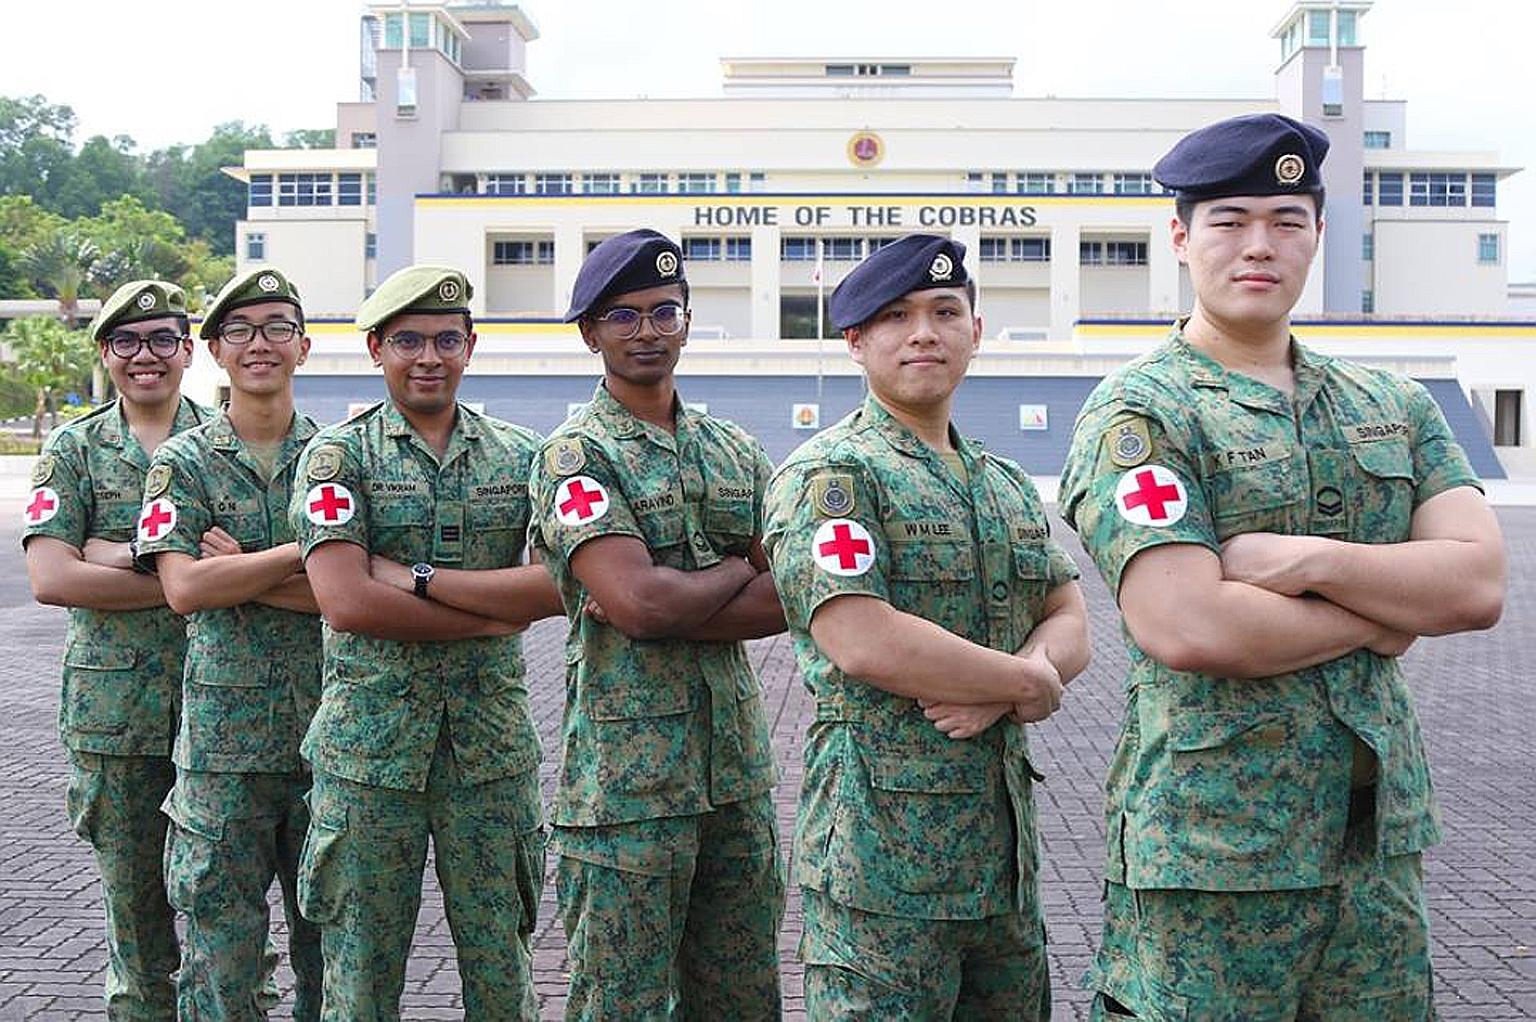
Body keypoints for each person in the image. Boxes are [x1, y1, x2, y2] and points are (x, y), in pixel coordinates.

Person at [1058, 113, 1507, 1020]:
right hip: (1213, 858)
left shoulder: (1391, 403)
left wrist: (1308, 560)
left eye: (1286, 220)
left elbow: (1479, 583)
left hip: (1374, 850)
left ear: (1317, 236)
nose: (1258, 245)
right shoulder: (1141, 414)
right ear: (1181, 237)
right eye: (1229, 221)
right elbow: (1189, 626)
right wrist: (1389, 612)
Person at [761, 233, 1088, 1019]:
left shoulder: (1003, 482)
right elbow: (859, 635)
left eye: (946, 311)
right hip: (884, 869)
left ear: (976, 331)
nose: (924, 332)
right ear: (855, 341)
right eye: (896, 316)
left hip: (1002, 865)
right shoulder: (832, 475)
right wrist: (1023, 682)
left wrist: (1011, 691)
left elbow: (1067, 615)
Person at [290, 265, 563, 1019]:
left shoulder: (523, 455)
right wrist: (492, 613)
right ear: (376, 348)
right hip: (369, 757)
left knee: (502, 971)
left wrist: (409, 574)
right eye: (407, 340)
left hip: (491, 754)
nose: (428, 357)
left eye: (447, 338)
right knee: (361, 975)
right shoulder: (336, 460)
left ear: (471, 347)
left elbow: (553, 588)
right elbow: (345, 602)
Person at [527, 229, 785, 1020]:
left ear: (687, 320)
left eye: (663, 312)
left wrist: (685, 595)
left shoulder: (735, 450)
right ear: (590, 333)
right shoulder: (575, 456)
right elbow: (637, 606)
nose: (647, 332)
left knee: (742, 999)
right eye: (623, 316)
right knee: (622, 1004)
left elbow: (792, 595)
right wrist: (740, 568)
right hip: (624, 796)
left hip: (734, 782)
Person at [135, 268, 324, 1019]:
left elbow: (350, 595)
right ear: (213, 349)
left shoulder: (340, 456)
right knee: (220, 962)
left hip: (328, 742)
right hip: (221, 755)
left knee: (335, 955)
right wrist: (300, 553)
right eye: (240, 331)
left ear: (304, 347)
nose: (260, 344)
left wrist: (238, 564)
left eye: (278, 327)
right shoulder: (180, 463)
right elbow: (182, 589)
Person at [21, 280, 209, 1019]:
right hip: (115, 721)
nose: (146, 356)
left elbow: (264, 566)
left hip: (227, 708)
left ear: (189, 352)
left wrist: (112, 554)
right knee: (136, 924)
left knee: (231, 924)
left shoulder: (224, 442)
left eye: (164, 339)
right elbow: (51, 575)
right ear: (105, 353)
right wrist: (185, 573)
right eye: (127, 341)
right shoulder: (72, 447)